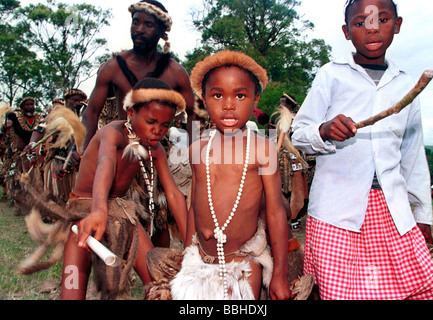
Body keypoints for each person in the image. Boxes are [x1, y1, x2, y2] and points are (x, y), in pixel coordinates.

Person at [291, 0, 433, 300]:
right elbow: (298, 135)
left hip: (390, 210)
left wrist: (422, 214)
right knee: (340, 292)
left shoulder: (407, 85)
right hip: (335, 211)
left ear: (397, 25)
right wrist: (323, 130)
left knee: (408, 288)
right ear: (347, 32)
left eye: (382, 19)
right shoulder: (330, 76)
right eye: (361, 23)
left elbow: (411, 155)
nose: (372, 28)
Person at [170, 50, 291, 300]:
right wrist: (187, 252)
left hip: (243, 264)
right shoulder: (197, 149)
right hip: (199, 261)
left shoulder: (262, 150)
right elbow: (195, 205)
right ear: (204, 99)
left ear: (255, 100)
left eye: (240, 95)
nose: (228, 105)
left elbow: (276, 211)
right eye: (217, 95)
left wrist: (279, 272)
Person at [61, 78, 188, 299]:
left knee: (159, 283)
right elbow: (105, 164)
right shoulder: (113, 133)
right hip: (85, 212)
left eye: (165, 125)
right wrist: (99, 210)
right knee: (72, 287)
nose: (158, 130)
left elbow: (174, 193)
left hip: (122, 214)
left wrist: (190, 243)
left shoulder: (154, 148)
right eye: (151, 121)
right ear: (130, 113)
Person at [82, 0, 195, 151]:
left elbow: (194, 114)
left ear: (162, 32)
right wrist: (84, 151)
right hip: (121, 148)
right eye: (135, 23)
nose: (139, 29)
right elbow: (92, 112)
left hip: (157, 148)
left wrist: (194, 155)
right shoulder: (113, 67)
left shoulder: (175, 72)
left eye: (148, 25)